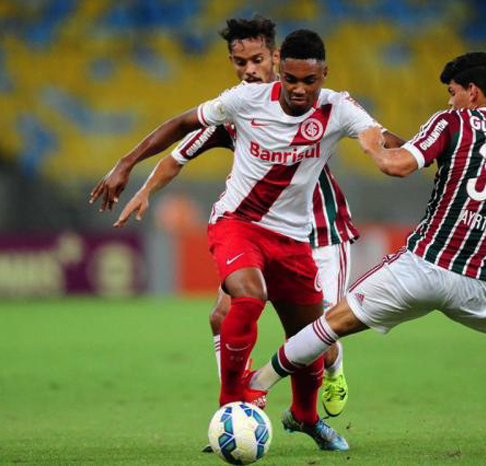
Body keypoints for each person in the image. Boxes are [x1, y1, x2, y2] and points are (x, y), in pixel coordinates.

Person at [247, 52, 486, 458]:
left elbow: (398, 166)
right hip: (482, 281)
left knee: (332, 323)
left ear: (472, 92)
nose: (449, 101)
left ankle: (256, 386)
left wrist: (372, 145)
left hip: (422, 267)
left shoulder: (452, 122)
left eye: (453, 92)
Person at [99, 28, 404, 451]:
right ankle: (232, 404)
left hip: (296, 238)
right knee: (245, 297)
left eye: (309, 81)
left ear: (323, 76)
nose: (299, 89)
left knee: (311, 339)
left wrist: (419, 154)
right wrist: (127, 163)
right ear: (280, 70)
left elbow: (385, 141)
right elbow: (181, 125)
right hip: (237, 223)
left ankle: (306, 416)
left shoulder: (339, 108)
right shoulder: (243, 101)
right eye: (291, 79)